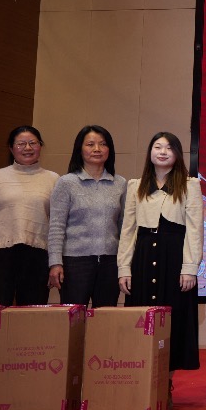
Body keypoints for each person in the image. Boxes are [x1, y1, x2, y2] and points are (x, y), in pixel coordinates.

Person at [118, 132, 203, 384]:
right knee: (143, 319)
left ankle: (165, 383)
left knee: (173, 320)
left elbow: (195, 230)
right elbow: (128, 230)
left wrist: (190, 267)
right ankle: (143, 382)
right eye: (157, 147)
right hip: (143, 259)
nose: (163, 152)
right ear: (150, 152)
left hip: (174, 260)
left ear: (177, 154)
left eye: (169, 148)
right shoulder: (136, 185)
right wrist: (124, 268)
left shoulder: (189, 185)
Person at [0, 126, 59, 306]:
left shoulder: (54, 179)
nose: (27, 148)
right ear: (11, 148)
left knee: (31, 313)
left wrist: (55, 261)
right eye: (21, 143)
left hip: (38, 256)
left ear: (40, 146)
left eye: (33, 143)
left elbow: (58, 225)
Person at [48, 126, 128, 308]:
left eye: (103, 144)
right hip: (75, 263)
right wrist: (55, 263)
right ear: (80, 149)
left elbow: (124, 226)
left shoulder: (120, 183)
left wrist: (125, 264)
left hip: (110, 262)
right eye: (90, 144)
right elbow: (56, 226)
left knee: (106, 317)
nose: (97, 149)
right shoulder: (66, 182)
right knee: (73, 317)